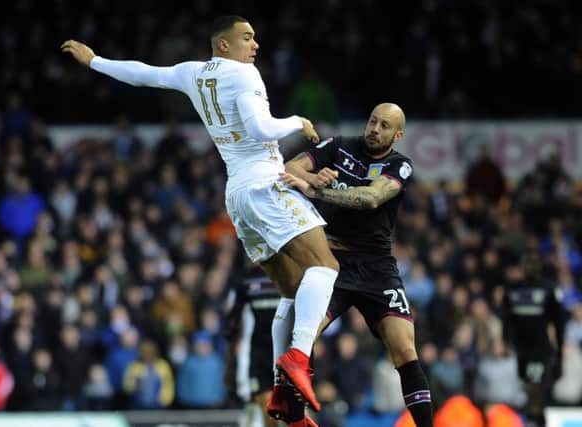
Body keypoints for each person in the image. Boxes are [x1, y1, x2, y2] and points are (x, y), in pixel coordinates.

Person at [62, 15, 340, 414]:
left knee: (292, 291)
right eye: (247, 38)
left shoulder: (194, 73)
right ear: (223, 45)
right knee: (326, 267)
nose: (255, 45)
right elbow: (261, 128)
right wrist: (299, 121)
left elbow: (145, 74)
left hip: (237, 195)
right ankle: (297, 358)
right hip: (266, 183)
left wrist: (95, 62)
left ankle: (282, 389)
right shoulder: (245, 75)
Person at [282, 103, 434, 427]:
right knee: (300, 337)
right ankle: (295, 420)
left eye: (384, 126)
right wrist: (313, 175)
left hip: (378, 268)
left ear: (398, 134)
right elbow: (291, 167)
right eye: (373, 121)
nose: (375, 129)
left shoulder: (399, 165)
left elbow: (371, 199)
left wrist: (317, 189)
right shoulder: (338, 147)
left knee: (405, 350)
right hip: (331, 261)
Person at [224, 265, 316, 427]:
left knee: (296, 411)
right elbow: (232, 322)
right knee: (268, 408)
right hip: (260, 353)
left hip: (288, 352)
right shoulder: (246, 280)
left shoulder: (292, 276)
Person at [501, 252, 566, 427]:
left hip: (540, 349)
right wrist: (505, 342)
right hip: (520, 349)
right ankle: (532, 419)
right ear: (522, 268)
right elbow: (506, 320)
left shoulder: (549, 290)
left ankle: (535, 421)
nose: (530, 268)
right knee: (525, 388)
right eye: (527, 265)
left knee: (536, 388)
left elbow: (559, 323)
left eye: (533, 264)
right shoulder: (512, 290)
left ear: (539, 268)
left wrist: (559, 354)